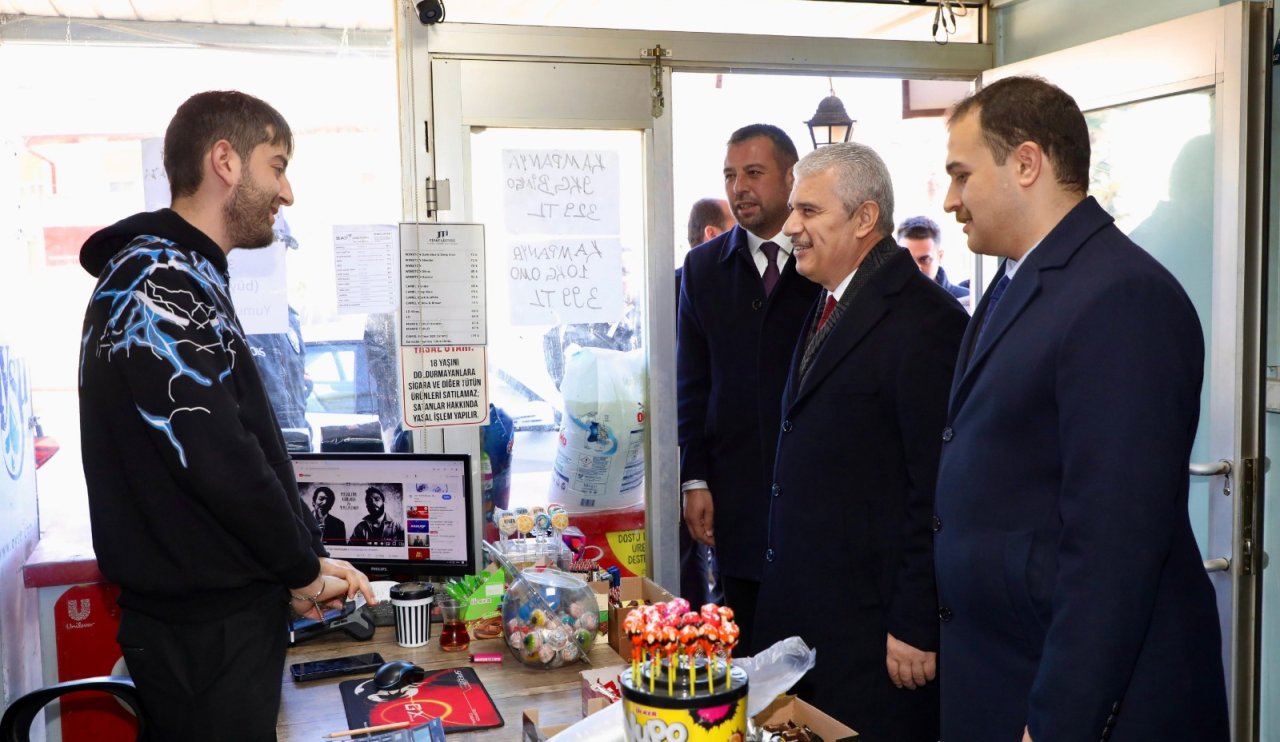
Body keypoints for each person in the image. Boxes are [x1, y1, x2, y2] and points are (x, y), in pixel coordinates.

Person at [934, 75, 1229, 741]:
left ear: (1028, 163)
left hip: (1080, 700)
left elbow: (1115, 546)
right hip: (1006, 668)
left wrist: (1060, 719)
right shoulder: (1020, 280)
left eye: (962, 174)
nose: (951, 200)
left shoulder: (1122, 297)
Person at [77, 90, 375, 741]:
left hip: (219, 622)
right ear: (226, 162)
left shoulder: (186, 273)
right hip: (202, 635)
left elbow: (236, 440)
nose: (288, 191)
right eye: (277, 164)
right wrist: (301, 569)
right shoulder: (157, 280)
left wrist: (300, 567)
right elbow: (220, 460)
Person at [752, 142, 966, 739]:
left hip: (877, 637)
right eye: (793, 209)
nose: (791, 227)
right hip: (810, 618)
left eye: (809, 212)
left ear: (865, 218)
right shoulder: (824, 301)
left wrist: (917, 622)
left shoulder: (928, 323)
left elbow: (938, 489)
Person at [677, 124, 822, 654]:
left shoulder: (822, 261)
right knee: (747, 654)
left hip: (814, 501)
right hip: (734, 500)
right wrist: (694, 479)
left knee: (810, 659)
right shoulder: (702, 269)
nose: (740, 188)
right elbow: (691, 384)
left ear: (790, 177)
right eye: (730, 176)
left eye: (754, 174)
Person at [896, 215, 970, 307]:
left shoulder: (969, 302)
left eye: (924, 259)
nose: (915, 268)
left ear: (940, 256)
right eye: (907, 260)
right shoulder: (883, 302)